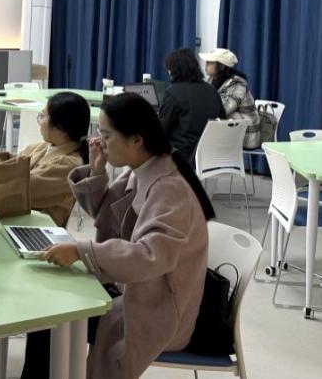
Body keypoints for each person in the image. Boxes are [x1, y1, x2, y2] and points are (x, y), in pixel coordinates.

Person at [36, 93, 214, 379]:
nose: (99, 142)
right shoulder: (144, 168)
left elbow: (149, 257)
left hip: (159, 311)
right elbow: (109, 217)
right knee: (48, 304)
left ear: (136, 140)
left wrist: (82, 251)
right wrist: (97, 172)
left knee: (53, 314)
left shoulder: (170, 189)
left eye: (106, 135)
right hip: (136, 290)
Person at [18, 92, 92, 227]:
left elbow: (19, 188)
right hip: (20, 220)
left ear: (60, 129)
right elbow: (9, 166)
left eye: (43, 116)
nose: (40, 122)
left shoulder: (69, 164)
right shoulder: (43, 146)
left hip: (38, 229)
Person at [159, 48, 225, 163]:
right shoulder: (212, 90)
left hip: (182, 156)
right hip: (209, 155)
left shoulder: (173, 92)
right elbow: (222, 119)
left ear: (174, 70)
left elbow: (162, 130)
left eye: (169, 69)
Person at [201, 48, 261, 149]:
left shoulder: (237, 84)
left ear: (221, 66)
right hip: (231, 131)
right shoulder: (212, 80)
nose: (206, 64)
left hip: (247, 135)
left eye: (210, 62)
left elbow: (222, 109)